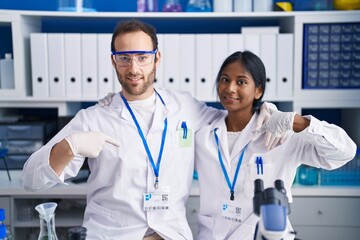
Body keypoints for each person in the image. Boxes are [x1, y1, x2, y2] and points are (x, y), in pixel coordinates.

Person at [22, 20, 279, 240]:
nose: (134, 69)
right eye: (125, 59)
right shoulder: (93, 118)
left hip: (170, 234)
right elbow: (32, 181)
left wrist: (265, 111)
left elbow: (232, 122)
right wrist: (70, 146)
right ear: (114, 61)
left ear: (157, 57)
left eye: (142, 58)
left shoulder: (185, 107)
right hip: (112, 234)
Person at [194, 51, 357, 240]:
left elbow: (345, 152)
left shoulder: (281, 134)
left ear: (258, 90)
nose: (230, 88)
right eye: (224, 79)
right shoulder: (203, 133)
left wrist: (296, 121)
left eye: (241, 81)